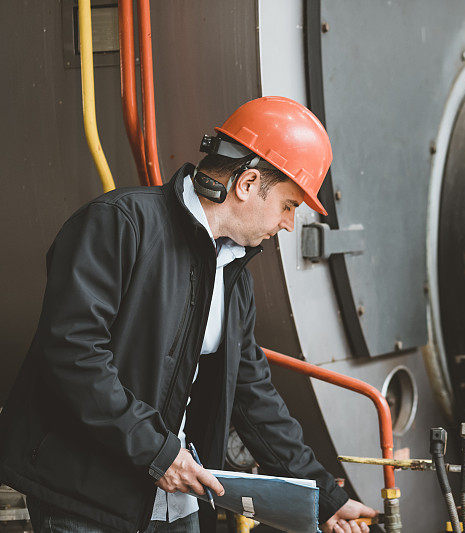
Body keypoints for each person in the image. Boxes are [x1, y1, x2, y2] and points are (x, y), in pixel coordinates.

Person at [0, 96, 377, 533]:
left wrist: (323, 496)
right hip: (87, 501)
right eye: (290, 205)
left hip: (176, 502)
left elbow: (252, 393)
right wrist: (156, 452)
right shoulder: (121, 223)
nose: (289, 224)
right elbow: (73, 355)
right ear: (248, 183)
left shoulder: (233, 274)